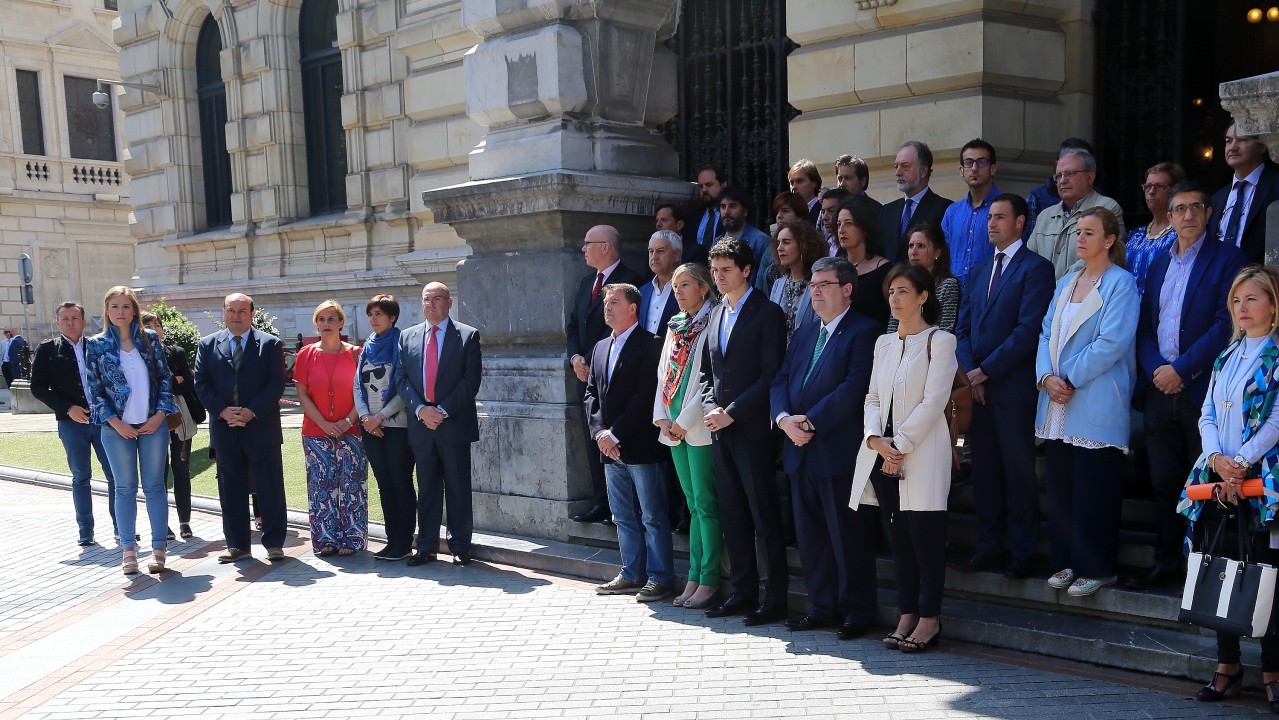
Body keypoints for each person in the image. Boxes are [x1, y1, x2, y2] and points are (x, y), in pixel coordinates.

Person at [1128, 182, 1246, 590]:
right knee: (1164, 483)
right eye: (1180, 209)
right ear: (1170, 216)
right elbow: (1146, 326)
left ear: (1209, 214)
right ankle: (1166, 562)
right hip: (1160, 391)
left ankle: (1204, 570)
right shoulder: (1160, 262)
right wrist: (1158, 369)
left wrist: (1182, 369)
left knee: (1207, 485)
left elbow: (1225, 323)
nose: (1188, 215)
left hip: (1203, 391)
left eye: (1196, 207)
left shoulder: (1228, 258)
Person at [1177, 265, 1279, 710]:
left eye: (1252, 298)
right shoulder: (1227, 355)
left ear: (1273, 305)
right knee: (1220, 566)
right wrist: (1217, 460)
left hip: (1264, 482)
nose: (1242, 307)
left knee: (1268, 575)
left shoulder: (1277, 356)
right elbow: (1207, 415)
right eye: (1236, 300)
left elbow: (1277, 419)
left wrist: (1241, 462)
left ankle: (1273, 672)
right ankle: (1227, 667)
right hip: (1217, 480)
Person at [851, 264, 958, 652]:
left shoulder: (940, 341)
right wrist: (875, 439)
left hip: (923, 454)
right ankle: (907, 613)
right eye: (891, 292)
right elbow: (872, 397)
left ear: (923, 297)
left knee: (925, 539)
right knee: (899, 541)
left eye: (903, 291)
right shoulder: (883, 343)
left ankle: (930, 618)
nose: (894, 299)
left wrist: (899, 445)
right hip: (883, 455)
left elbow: (934, 401)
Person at [771, 256, 879, 640]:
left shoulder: (865, 331)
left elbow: (854, 387)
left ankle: (856, 612)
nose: (815, 291)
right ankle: (821, 606)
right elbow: (781, 379)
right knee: (811, 536)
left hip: (837, 450)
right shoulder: (804, 333)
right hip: (799, 449)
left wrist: (810, 422)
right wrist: (784, 419)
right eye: (812, 285)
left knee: (847, 536)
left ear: (847, 289)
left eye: (824, 285)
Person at [1035, 207, 1138, 597]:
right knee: (1062, 487)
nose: (1080, 238)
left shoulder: (1121, 283)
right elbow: (1045, 333)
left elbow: (1112, 342)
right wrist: (1046, 377)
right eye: (1078, 232)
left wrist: (1068, 377)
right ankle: (1066, 561)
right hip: (1057, 400)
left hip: (1095, 397)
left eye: (1089, 233)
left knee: (1095, 488)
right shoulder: (1066, 280)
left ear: (1109, 240)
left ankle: (1097, 568)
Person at [952, 193, 1055, 578]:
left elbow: (1028, 330)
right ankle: (988, 546)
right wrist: (971, 372)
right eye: (989, 217)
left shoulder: (1036, 269)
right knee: (985, 474)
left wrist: (988, 371)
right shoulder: (980, 270)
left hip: (1012, 390)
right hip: (978, 390)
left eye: (999, 217)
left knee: (1018, 474)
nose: (991, 223)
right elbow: (962, 329)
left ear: (1020, 222)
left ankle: (1023, 551)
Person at [698, 237, 789, 626]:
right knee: (733, 514)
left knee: (763, 516)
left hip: (752, 430)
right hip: (720, 430)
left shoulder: (767, 313)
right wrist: (709, 408)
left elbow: (772, 374)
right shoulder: (716, 312)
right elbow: (707, 373)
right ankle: (742, 591)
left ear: (747, 270)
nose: (718, 277)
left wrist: (732, 413)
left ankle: (776, 598)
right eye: (714, 270)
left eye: (726, 270)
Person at [587, 284, 672, 602]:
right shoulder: (599, 347)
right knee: (622, 515)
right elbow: (591, 395)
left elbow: (645, 395)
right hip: (609, 449)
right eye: (605, 302)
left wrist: (616, 433)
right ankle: (632, 573)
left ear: (633, 308)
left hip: (640, 445)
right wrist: (600, 433)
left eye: (614, 302)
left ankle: (660, 577)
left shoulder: (651, 344)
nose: (607, 307)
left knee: (652, 515)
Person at [85, 287, 177, 575]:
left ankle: (159, 549)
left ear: (134, 309)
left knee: (154, 487)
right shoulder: (96, 344)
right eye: (115, 306)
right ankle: (128, 551)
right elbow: (95, 390)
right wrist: (116, 422)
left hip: (152, 424)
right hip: (116, 428)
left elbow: (164, 379)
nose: (120, 312)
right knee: (124, 488)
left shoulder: (149, 339)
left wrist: (159, 415)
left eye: (126, 306)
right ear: (107, 310)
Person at [195, 292, 288, 564]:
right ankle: (237, 545)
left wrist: (251, 411)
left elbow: (276, 383)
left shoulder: (270, 344)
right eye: (231, 310)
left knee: (270, 487)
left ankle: (274, 543)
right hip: (225, 429)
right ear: (223, 312)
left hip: (261, 427)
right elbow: (202, 383)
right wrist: (223, 411)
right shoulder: (207, 345)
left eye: (241, 311)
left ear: (252, 314)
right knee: (231, 489)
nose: (236, 316)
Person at [397, 282, 482, 567]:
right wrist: (422, 410)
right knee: (427, 489)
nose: (431, 304)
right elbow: (401, 379)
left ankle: (459, 546)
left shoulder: (467, 336)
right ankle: (426, 547)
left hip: (453, 424)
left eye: (437, 298)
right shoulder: (407, 336)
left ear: (449, 302)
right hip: (422, 426)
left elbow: (471, 380)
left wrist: (442, 411)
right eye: (426, 299)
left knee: (458, 488)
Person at [566, 225, 645, 524]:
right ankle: (603, 502)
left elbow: (622, 329)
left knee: (620, 442)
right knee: (594, 442)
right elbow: (573, 326)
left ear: (605, 247)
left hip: (617, 376)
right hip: (586, 376)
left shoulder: (631, 280)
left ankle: (625, 507)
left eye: (588, 243)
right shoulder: (587, 282)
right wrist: (575, 358)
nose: (583, 249)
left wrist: (590, 359)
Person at [653, 263, 720, 609]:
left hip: (698, 425)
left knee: (706, 505)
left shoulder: (714, 320)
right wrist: (662, 418)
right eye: (675, 286)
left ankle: (709, 578)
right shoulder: (676, 325)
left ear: (704, 288)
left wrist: (683, 419)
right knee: (692, 505)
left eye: (685, 285)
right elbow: (663, 373)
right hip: (673, 426)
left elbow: (709, 379)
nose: (677, 291)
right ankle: (693, 574)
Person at [29, 302, 118, 546]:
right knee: (81, 476)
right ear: (57, 322)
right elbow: (37, 387)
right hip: (71, 423)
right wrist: (68, 408)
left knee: (115, 475)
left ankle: (120, 527)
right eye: (65, 319)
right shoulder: (48, 350)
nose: (70, 322)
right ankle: (85, 530)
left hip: (103, 420)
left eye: (75, 318)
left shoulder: (97, 346)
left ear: (83, 321)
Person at [294, 300, 367, 556]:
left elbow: (363, 392)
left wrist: (347, 420)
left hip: (351, 430)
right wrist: (323, 423)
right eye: (321, 319)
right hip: (316, 432)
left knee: (351, 485)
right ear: (316, 324)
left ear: (341, 323)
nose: (326, 324)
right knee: (320, 487)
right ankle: (325, 540)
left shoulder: (357, 354)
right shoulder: (306, 354)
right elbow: (302, 394)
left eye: (331, 319)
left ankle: (352, 539)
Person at [355, 294, 416, 561]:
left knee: (401, 482)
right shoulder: (366, 348)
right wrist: (365, 417)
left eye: (378, 314)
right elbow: (357, 386)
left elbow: (405, 387)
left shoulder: (403, 345)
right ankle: (392, 540)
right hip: (371, 427)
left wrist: (380, 416)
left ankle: (404, 542)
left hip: (397, 425)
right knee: (384, 484)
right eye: (370, 314)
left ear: (392, 317)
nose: (373, 319)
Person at [141, 312, 204, 542]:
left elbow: (187, 383)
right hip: (152, 417)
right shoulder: (138, 354)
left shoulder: (175, 352)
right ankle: (163, 523)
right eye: (149, 325)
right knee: (159, 473)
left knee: (181, 469)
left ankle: (184, 521)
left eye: (157, 324)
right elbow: (146, 387)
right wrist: (172, 380)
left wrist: (167, 383)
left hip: (181, 416)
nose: (155, 328)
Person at [1027, 148, 1126, 279]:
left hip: (1084, 290)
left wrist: (1059, 286)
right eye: (1058, 176)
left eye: (1070, 174)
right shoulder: (1044, 216)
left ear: (1090, 177)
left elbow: (1100, 257)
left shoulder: (1107, 208)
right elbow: (1029, 259)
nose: (1062, 180)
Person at [1211, 121, 1279, 266]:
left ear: (1262, 146)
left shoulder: (1276, 186)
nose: (1233, 147)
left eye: (1242, 139)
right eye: (1228, 141)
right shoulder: (1217, 199)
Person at [942, 139, 1002, 292]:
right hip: (955, 297)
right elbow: (943, 256)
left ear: (993, 168)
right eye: (968, 163)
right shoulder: (952, 212)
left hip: (990, 294)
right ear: (961, 170)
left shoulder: (1006, 208)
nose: (974, 168)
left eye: (981, 162)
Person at [880, 141, 952, 262]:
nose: (898, 172)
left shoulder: (945, 209)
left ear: (923, 171)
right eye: (896, 166)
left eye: (905, 166)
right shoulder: (887, 210)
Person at [1126, 162, 1184, 298]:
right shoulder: (1135, 235)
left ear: (1175, 191)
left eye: (1159, 186)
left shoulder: (1181, 236)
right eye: (1147, 186)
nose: (1151, 192)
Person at [889, 223, 960, 334]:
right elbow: (892, 327)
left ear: (937, 253)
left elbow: (946, 329)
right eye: (911, 246)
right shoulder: (901, 282)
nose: (914, 252)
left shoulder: (947, 286)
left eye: (921, 246)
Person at [835, 197, 892, 330]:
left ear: (865, 228)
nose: (841, 230)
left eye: (848, 223)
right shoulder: (834, 268)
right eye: (838, 224)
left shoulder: (885, 270)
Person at [769, 219, 825, 342]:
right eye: (778, 243)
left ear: (804, 245)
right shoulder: (778, 284)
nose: (779, 248)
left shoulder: (818, 285)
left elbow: (820, 329)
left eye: (786, 242)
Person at [716, 186, 775, 294]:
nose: (726, 211)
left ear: (745, 211)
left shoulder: (761, 241)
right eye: (723, 207)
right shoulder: (717, 241)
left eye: (732, 206)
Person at [639, 230, 682, 336]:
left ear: (676, 255)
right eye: (651, 251)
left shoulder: (688, 289)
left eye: (661, 251)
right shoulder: (643, 291)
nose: (654, 256)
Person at [685, 165, 728, 265]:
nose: (704, 190)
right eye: (701, 186)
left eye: (709, 185)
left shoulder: (729, 215)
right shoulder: (693, 217)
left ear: (723, 185)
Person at [787, 159, 823, 225]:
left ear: (814, 183)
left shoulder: (823, 210)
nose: (794, 187)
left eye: (800, 181)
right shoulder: (789, 212)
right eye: (792, 183)